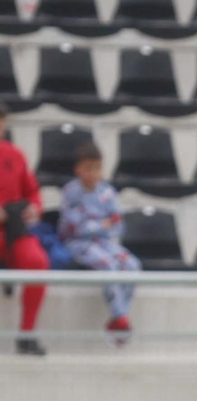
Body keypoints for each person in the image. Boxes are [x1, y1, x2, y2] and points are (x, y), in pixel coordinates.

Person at [59, 141, 140, 345]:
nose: (93, 173)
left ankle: (118, 318)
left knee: (132, 265)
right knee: (108, 265)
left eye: (97, 168)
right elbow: (75, 228)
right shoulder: (71, 192)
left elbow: (117, 225)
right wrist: (103, 223)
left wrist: (96, 225)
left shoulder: (107, 192)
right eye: (88, 168)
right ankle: (121, 319)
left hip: (104, 243)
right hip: (78, 245)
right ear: (78, 169)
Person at [0, 103, 49, 357]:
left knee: (37, 261)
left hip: (14, 228)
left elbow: (32, 190)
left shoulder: (15, 155)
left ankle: (26, 333)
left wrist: (34, 207)